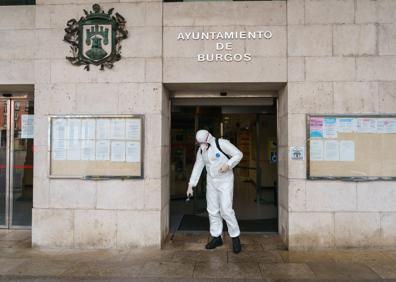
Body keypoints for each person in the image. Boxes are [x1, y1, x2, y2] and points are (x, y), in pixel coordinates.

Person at [187, 129, 243, 253]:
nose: (201, 145)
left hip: (225, 181)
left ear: (208, 138)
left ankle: (235, 237)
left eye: (203, 142)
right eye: (199, 143)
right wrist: (191, 184)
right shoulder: (202, 150)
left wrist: (228, 165)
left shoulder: (221, 143)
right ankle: (216, 237)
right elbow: (198, 166)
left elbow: (238, 154)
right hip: (211, 181)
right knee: (212, 210)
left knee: (226, 210)